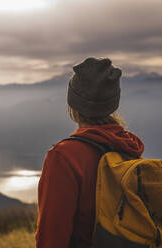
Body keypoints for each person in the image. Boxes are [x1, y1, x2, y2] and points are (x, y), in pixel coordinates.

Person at [35, 57, 145, 248]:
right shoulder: (129, 148)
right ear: (113, 104)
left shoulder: (64, 156)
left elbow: (51, 237)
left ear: (73, 105)